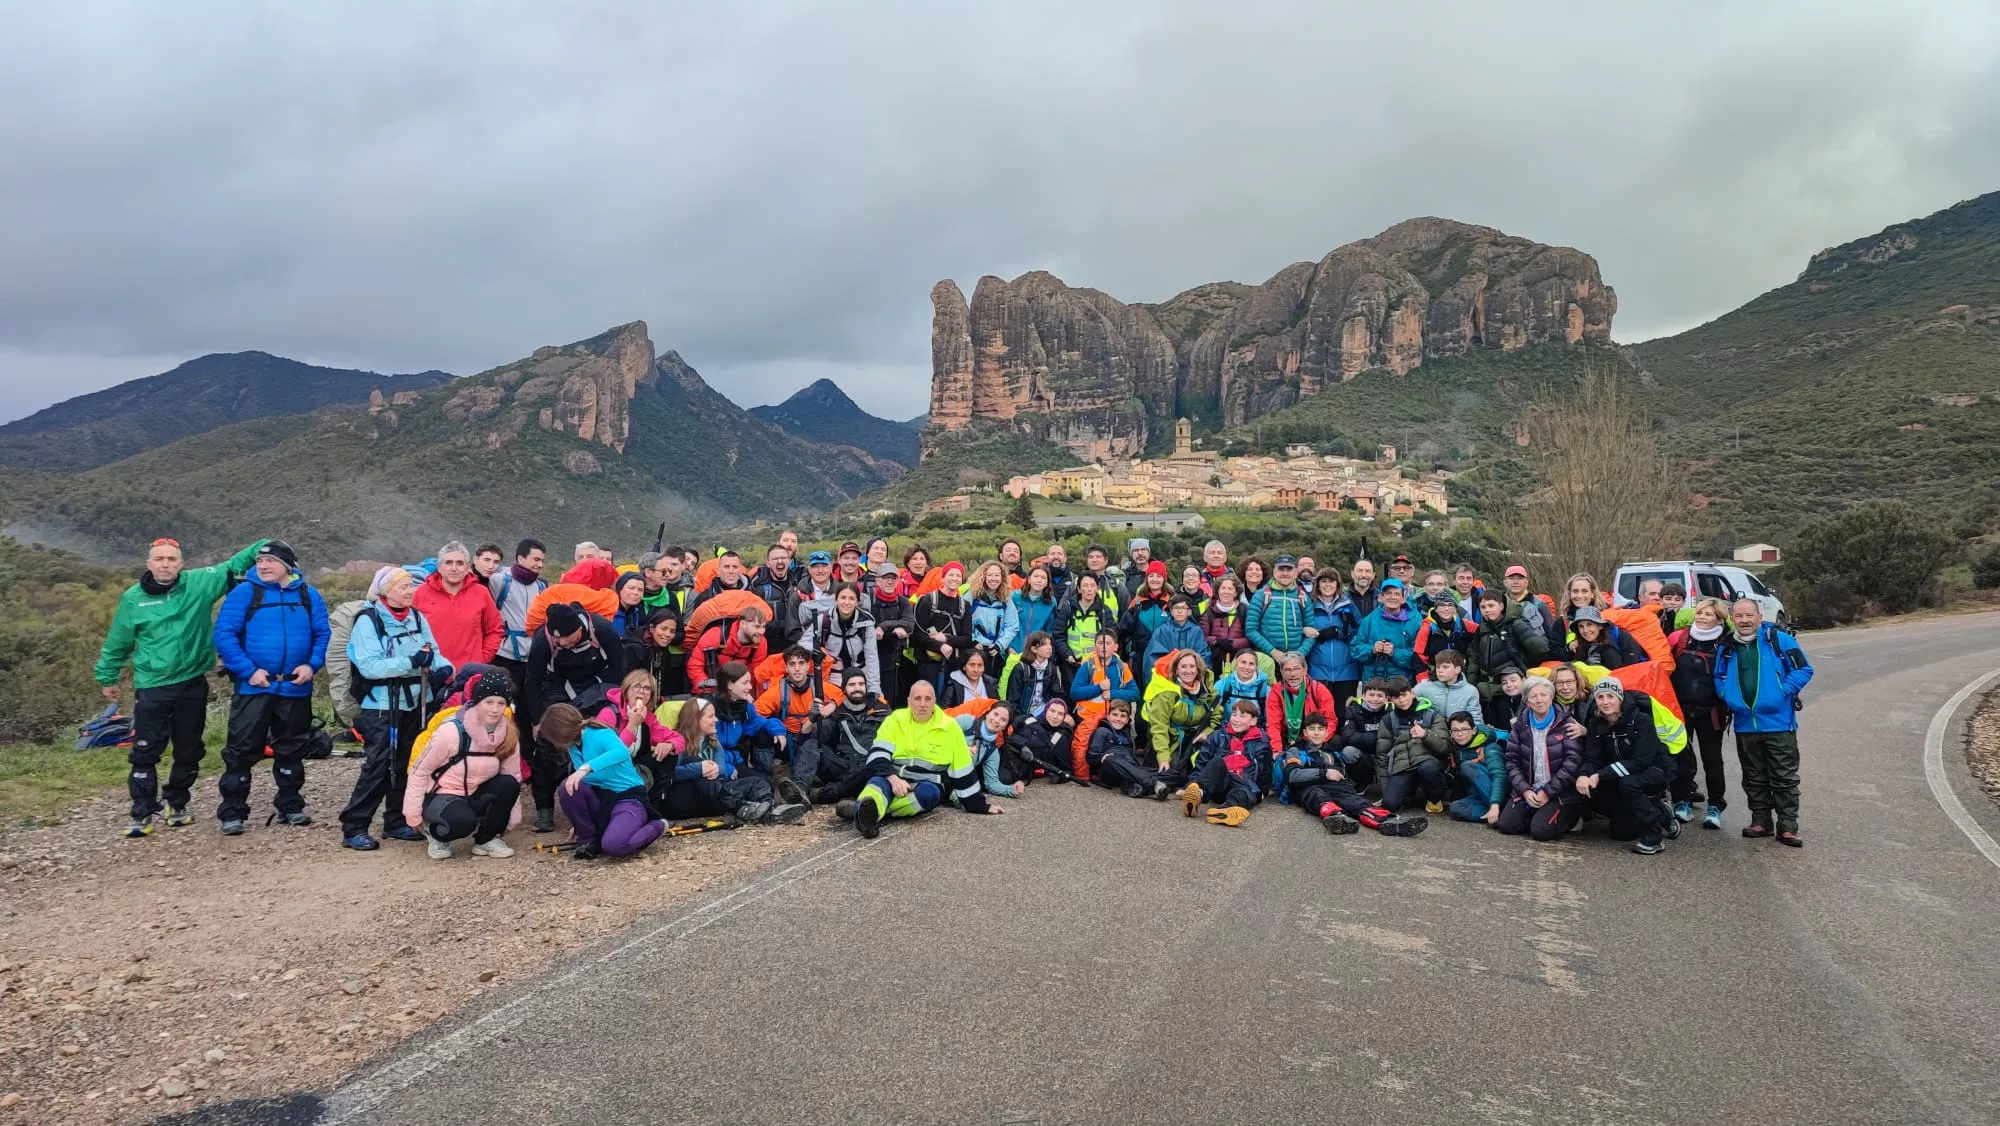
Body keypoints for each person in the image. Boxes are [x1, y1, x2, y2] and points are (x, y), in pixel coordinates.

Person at [98, 535, 265, 839]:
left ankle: (178, 804)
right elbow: (118, 641)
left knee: (189, 749)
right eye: (159, 559)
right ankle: (142, 812)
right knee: (145, 751)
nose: (165, 564)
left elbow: (235, 564)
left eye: (171, 559)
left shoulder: (199, 583)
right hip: (152, 684)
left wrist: (268, 547)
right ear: (149, 564)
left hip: (192, 682)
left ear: (181, 563)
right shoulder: (133, 598)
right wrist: (108, 676)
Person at [211, 540, 328, 835]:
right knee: (241, 750)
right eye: (260, 562)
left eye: (271, 562)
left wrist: (312, 665)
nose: (262, 566)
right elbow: (224, 634)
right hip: (255, 687)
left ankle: (290, 805)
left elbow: (322, 633)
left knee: (291, 749)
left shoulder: (308, 595)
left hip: (294, 687)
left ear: (287, 566)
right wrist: (248, 671)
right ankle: (232, 812)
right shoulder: (245, 593)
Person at [340, 567, 451, 851]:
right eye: (403, 587)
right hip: (381, 704)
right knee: (378, 764)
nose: (410, 591)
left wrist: (444, 668)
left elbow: (432, 651)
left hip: (415, 701)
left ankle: (396, 820)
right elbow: (369, 666)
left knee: (406, 761)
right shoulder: (369, 621)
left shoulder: (415, 616)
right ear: (385, 590)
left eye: (410, 586)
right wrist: (411, 662)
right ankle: (354, 826)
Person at [1714, 597, 1813, 847]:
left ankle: (1788, 827)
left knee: (1784, 777)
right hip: (1745, 724)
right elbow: (1719, 675)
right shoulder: (1727, 646)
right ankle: (1761, 822)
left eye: (1749, 615)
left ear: (1759, 617)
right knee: (1753, 776)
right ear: (1732, 619)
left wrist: (1782, 691)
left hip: (1779, 724)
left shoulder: (1779, 640)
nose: (1744, 620)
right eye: (1738, 616)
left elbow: (1803, 670)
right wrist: (1728, 695)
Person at [522, 601, 625, 831]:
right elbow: (533, 680)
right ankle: (544, 810)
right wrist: (537, 719)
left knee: (594, 738)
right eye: (558, 639)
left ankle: (603, 800)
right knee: (547, 744)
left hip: (596, 684)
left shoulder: (602, 629)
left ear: (579, 629)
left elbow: (618, 668)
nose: (562, 643)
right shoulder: (544, 639)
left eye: (567, 638)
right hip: (558, 685)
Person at [850, 680, 997, 838]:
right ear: (909, 701)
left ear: (934, 702)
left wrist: (979, 805)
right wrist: (893, 779)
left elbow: (963, 770)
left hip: (927, 783)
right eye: (917, 698)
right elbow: (877, 755)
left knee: (929, 795)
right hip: (891, 776)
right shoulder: (894, 720)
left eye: (928, 699)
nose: (922, 704)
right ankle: (866, 821)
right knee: (876, 785)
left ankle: (864, 812)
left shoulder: (950, 728)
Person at [406, 670, 522, 859]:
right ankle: (435, 833)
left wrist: (513, 816)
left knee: (508, 783)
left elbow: (514, 776)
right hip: (442, 793)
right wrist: (412, 813)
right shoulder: (450, 732)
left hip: (475, 791)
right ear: (477, 702)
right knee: (462, 822)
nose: (495, 709)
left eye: (501, 703)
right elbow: (420, 771)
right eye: (489, 702)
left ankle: (486, 839)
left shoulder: (508, 735)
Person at [544, 703, 668, 860]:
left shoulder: (600, 734)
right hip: (602, 798)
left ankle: (657, 825)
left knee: (614, 846)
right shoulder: (573, 747)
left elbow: (621, 751)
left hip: (628, 797)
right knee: (567, 788)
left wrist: (586, 768)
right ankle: (588, 839)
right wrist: (579, 821)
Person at [655, 696, 794, 825]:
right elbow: (668, 774)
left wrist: (716, 769)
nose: (716, 719)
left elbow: (721, 770)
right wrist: (699, 768)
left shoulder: (714, 741)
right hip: (681, 800)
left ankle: (770, 811)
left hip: (711, 797)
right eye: (710, 716)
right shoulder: (677, 742)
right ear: (695, 719)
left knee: (757, 782)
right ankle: (741, 807)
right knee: (697, 764)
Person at [1577, 678, 1673, 855]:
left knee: (1628, 784)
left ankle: (1654, 837)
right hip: (1619, 775)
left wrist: (1601, 774)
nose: (1605, 702)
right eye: (1600, 697)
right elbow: (1592, 757)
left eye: (1610, 696)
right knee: (1622, 833)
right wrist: (1584, 774)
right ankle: (1657, 810)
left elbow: (1642, 761)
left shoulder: (1641, 720)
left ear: (1620, 698)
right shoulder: (1595, 723)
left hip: (1652, 771)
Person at [1496, 675, 1586, 841]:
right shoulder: (1520, 725)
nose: (1539, 700)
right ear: (1527, 701)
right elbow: (1512, 760)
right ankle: (1538, 813)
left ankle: (1570, 816)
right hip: (1529, 788)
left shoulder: (1566, 723)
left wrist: (1547, 792)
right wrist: (1525, 790)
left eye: (1543, 695)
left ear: (1551, 697)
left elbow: (1571, 763)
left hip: (1558, 791)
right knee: (1507, 825)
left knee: (1541, 832)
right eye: (1533, 696)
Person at [1669, 597, 1732, 829]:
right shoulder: (1679, 638)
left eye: (1709, 614)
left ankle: (1715, 805)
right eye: (1700, 613)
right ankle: (1681, 802)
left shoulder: (1726, 643)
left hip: (1711, 711)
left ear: (1719, 618)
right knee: (1680, 758)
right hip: (1680, 710)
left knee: (1712, 760)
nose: (1703, 617)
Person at [412, 541, 503, 671]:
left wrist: (482, 659)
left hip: (468, 673)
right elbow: (409, 632)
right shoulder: (421, 593)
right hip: (431, 671)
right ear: (439, 567)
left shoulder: (481, 593)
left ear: (467, 568)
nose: (454, 568)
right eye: (448, 563)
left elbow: (495, 630)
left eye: (460, 563)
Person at [800, 672, 890, 802]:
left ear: (866, 687)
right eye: (852, 685)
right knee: (811, 745)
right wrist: (813, 718)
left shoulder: (882, 711)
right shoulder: (837, 713)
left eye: (861, 684)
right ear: (844, 689)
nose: (857, 688)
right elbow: (811, 738)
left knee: (872, 768)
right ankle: (799, 789)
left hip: (869, 763)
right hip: (842, 764)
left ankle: (822, 794)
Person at [1176, 700, 1268, 826]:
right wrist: (1192, 783)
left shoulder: (1262, 740)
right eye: (1234, 714)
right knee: (1217, 762)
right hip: (1221, 781)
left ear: (1253, 721)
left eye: (1242, 716)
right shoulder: (1217, 736)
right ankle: (1198, 794)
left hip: (1243, 783)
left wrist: (1262, 791)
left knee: (1243, 794)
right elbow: (1202, 763)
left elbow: (1266, 769)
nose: (1236, 719)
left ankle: (1222, 812)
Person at [1143, 647, 1218, 790]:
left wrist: (1206, 733)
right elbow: (1159, 727)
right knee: (1177, 772)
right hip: (1170, 739)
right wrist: (1163, 757)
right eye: (1183, 666)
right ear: (1176, 669)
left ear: (1198, 669)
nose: (1188, 671)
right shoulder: (1166, 693)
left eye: (1192, 666)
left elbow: (1216, 716)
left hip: (1196, 737)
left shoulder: (1207, 689)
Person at [1067, 629, 1138, 778]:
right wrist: (1098, 687)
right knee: (1083, 744)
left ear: (1116, 647)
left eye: (1108, 643)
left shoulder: (1121, 667)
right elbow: (1074, 692)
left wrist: (1113, 693)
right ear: (1095, 646)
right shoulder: (1088, 665)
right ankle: (1083, 774)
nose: (1103, 647)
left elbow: (1135, 693)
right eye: (1100, 643)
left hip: (1112, 717)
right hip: (1088, 715)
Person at [1374, 677, 1448, 815]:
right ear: (1390, 699)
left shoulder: (1431, 715)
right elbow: (1382, 756)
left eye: (1404, 695)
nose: (1401, 701)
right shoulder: (1388, 720)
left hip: (1428, 762)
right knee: (1389, 805)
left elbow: (1444, 747)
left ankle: (1434, 798)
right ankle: (1408, 793)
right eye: (1396, 697)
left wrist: (1425, 734)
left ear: (1412, 693)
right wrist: (1385, 790)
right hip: (1403, 766)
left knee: (1428, 769)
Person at [711, 661, 792, 782]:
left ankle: (766, 773)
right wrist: (724, 767)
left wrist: (778, 730)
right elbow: (703, 748)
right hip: (715, 763)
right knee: (755, 783)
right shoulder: (709, 709)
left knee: (766, 733)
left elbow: (760, 723)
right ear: (730, 685)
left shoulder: (745, 707)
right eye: (745, 683)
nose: (750, 687)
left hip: (736, 758)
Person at [1466, 589, 1549, 707]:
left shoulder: (1515, 624)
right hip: (1485, 692)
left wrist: (1524, 668)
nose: (1487, 610)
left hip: (1511, 690)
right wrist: (1471, 686)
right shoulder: (1481, 630)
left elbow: (1539, 648)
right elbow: (1474, 661)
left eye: (1491, 605)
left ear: (1501, 606)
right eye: (1483, 607)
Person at [489, 539, 548, 694]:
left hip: (532, 655)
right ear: (521, 558)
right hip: (504, 654)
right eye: (536, 559)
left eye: (542, 560)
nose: (540, 564)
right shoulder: (499, 581)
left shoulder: (541, 586)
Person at [754, 645, 840, 752]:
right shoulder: (777, 691)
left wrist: (831, 706)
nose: (797, 669)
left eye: (801, 663)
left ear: (808, 666)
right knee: (761, 733)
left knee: (829, 724)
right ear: (786, 668)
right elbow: (754, 714)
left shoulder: (818, 686)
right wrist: (774, 727)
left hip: (811, 737)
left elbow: (842, 696)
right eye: (792, 664)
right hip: (785, 739)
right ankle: (764, 768)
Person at [803, 583, 880, 699]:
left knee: (871, 705)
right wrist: (819, 652)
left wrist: (874, 689)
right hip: (832, 675)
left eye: (851, 598)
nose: (847, 602)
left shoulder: (866, 623)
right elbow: (803, 642)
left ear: (857, 602)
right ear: (836, 599)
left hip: (859, 674)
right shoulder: (824, 620)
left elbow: (872, 656)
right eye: (843, 597)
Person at [1303, 569, 1361, 712]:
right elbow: (1299, 627)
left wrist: (1338, 632)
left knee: (1344, 714)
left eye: (1331, 581)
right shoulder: (1309, 605)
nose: (1327, 585)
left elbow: (1360, 632)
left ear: (1338, 584)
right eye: (1323, 581)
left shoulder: (1348, 604)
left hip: (1347, 671)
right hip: (1318, 671)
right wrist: (1304, 630)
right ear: (1317, 584)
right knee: (1320, 714)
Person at [595, 668, 674, 771]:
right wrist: (632, 724)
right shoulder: (610, 713)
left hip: (634, 766)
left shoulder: (648, 717)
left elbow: (677, 739)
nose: (641, 691)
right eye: (637, 686)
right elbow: (611, 753)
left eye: (647, 688)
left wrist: (670, 745)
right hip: (609, 768)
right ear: (626, 690)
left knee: (671, 756)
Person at [912, 561, 972, 696]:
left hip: (954, 665)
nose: (955, 579)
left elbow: (968, 639)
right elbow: (917, 635)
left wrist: (947, 639)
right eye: (951, 575)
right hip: (928, 664)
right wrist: (940, 647)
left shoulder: (964, 605)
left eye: (958, 575)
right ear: (943, 578)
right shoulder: (928, 600)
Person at [685, 603, 769, 692]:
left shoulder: (760, 643)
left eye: (763, 627)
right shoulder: (715, 635)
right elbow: (695, 665)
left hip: (737, 688)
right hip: (709, 685)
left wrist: (741, 691)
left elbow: (754, 673)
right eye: (757, 627)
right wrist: (708, 690)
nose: (761, 632)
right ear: (743, 624)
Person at [1350, 577, 1420, 683]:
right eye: (1388, 593)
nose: (1392, 597)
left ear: (1403, 598)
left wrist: (1394, 652)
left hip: (1402, 682)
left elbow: (1419, 655)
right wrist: (1372, 650)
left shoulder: (1415, 620)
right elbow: (1355, 648)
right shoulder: (1370, 619)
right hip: (1373, 681)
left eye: (1396, 594)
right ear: (1381, 597)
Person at [1246, 553, 1311, 666]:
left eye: (1289, 569)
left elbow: (1311, 632)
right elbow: (1251, 630)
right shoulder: (1261, 595)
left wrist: (1299, 654)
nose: (1285, 573)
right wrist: (1273, 651)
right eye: (1281, 569)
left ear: (1295, 573)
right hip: (1267, 660)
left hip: (1295, 662)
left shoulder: (1303, 597)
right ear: (1274, 572)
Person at [1084, 698, 1158, 797]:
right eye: (1115, 714)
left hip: (1130, 769)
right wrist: (1102, 757)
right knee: (1110, 758)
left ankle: (1134, 786)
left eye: (1123, 716)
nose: (1118, 719)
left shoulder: (1128, 734)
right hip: (1109, 771)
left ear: (1128, 720)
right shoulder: (1102, 731)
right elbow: (1090, 757)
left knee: (1171, 773)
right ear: (1108, 716)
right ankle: (1151, 784)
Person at [1443, 711, 1506, 825]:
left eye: (1464, 729)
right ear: (1451, 733)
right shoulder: (1454, 748)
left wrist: (1495, 803)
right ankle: (1499, 816)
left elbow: (1500, 777)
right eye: (1455, 730)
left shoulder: (1490, 747)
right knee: (1455, 808)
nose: (1460, 734)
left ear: (1473, 730)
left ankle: (1499, 810)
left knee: (1467, 766)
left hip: (1497, 793)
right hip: (1476, 796)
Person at [1265, 653, 1335, 754]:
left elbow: (1330, 721)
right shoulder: (1276, 691)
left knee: (1336, 741)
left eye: (1296, 669)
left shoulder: (1319, 689)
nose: (1292, 674)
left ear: (1304, 670)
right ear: (1281, 672)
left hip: (1314, 735)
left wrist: (1312, 741)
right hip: (1286, 737)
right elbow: (1273, 724)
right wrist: (1276, 751)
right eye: (1287, 670)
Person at [866, 564, 914, 704]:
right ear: (877, 580)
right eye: (885, 578)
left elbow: (909, 624)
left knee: (889, 700)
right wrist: (896, 627)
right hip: (870, 658)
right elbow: (867, 626)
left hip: (893, 659)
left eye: (893, 578)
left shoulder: (903, 602)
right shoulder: (868, 600)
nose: (889, 581)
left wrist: (883, 626)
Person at [1118, 561, 1174, 679]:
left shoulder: (1172, 602)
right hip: (1139, 655)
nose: (1155, 579)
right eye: (1151, 575)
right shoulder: (1137, 602)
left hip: (1166, 655)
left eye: (1159, 576)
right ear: (1146, 578)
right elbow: (1123, 628)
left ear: (1164, 579)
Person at [1051, 572, 1117, 671]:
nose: (1089, 589)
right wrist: (1068, 655)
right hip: (1070, 664)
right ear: (1079, 589)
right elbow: (1058, 635)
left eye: (1092, 585)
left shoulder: (1104, 611)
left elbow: (1110, 637)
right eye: (1085, 585)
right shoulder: (1068, 608)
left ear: (1097, 588)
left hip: (1097, 664)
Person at [1007, 696, 1078, 784]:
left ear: (1064, 717)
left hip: (1024, 768)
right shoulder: (1030, 721)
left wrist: (1060, 778)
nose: (1055, 716)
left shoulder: (1062, 738)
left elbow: (1065, 767)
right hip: (1010, 755)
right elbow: (1015, 737)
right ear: (1046, 711)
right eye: (1052, 711)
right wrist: (1023, 746)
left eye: (1060, 714)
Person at [1335, 678, 1391, 789]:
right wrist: (1375, 738)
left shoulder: (1390, 712)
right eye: (1371, 695)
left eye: (1380, 696)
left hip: (1385, 755)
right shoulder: (1353, 710)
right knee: (1348, 752)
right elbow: (1347, 737)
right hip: (1364, 754)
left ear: (1386, 698)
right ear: (1363, 695)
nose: (1375, 699)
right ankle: (1363, 781)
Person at [966, 561, 1021, 671]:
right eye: (990, 575)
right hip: (975, 649)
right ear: (983, 576)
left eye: (997, 575)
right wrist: (972, 641)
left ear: (1002, 578)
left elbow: (1012, 626)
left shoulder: (1006, 600)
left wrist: (1000, 645)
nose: (993, 579)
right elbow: (963, 621)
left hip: (997, 652)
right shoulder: (971, 596)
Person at [1501, 564, 1566, 657]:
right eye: (1511, 578)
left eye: (1520, 578)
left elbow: (1551, 632)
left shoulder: (1539, 604)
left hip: (1536, 656)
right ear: (1505, 582)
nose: (1516, 582)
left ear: (1527, 582)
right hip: (1508, 657)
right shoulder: (1498, 605)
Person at [1002, 631, 1068, 720]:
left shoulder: (1051, 668)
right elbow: (1012, 700)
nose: (1049, 648)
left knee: (1068, 722)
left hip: (1044, 712)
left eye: (1050, 644)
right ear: (1034, 649)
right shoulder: (1020, 668)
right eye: (1044, 644)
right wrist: (1021, 719)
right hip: (1023, 714)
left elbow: (1056, 695)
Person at [968, 701, 1026, 801]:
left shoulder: (992, 751)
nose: (997, 720)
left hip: (956, 781)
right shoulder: (967, 722)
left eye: (1003, 720)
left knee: (1004, 777)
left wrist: (1011, 790)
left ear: (1005, 727)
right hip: (938, 767)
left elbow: (992, 784)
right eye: (995, 714)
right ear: (988, 713)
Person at [1142, 593, 1210, 674]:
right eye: (1176, 608)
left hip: (1191, 676)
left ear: (1189, 612)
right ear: (1171, 611)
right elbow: (1152, 659)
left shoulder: (1196, 631)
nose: (1179, 611)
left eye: (1183, 608)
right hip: (1168, 676)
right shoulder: (1162, 631)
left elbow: (1204, 656)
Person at [747, 544, 800, 647]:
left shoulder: (798, 584)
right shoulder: (759, 589)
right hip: (769, 645)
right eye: (775, 558)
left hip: (795, 644)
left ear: (789, 562)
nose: (780, 561)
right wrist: (784, 625)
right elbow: (754, 621)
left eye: (783, 558)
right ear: (768, 563)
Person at [1200, 575, 1249, 675]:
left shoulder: (1245, 610)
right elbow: (1201, 636)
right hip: (1214, 656)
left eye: (1230, 588)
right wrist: (1216, 641)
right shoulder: (1208, 610)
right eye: (1223, 588)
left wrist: (1233, 643)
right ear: (1217, 591)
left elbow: (1250, 636)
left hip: (1239, 656)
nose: (1226, 591)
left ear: (1236, 593)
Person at [1414, 650, 1479, 723]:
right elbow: (1407, 703)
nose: (1440, 670)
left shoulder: (1470, 691)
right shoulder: (1424, 687)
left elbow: (1476, 720)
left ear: (1457, 669)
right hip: (1432, 732)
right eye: (1438, 667)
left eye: (1445, 667)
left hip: (1458, 732)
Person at [1568, 606, 1644, 668]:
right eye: (1581, 626)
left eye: (1589, 624)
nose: (1585, 630)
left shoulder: (1622, 637)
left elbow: (1633, 667)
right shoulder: (1580, 643)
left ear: (1600, 626)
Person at [1412, 593, 1470, 672]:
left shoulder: (1464, 625)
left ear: (1455, 609)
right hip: (1435, 674)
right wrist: (1423, 680)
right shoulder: (1427, 628)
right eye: (1442, 605)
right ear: (1435, 609)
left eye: (1450, 605)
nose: (1446, 608)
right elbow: (1418, 655)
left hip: (1459, 673)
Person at [1011, 565, 1061, 654]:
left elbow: (1049, 631)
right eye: (1036, 576)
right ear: (1029, 579)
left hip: (1036, 653)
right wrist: (1009, 646)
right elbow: (1006, 625)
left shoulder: (1051, 602)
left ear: (1047, 583)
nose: (1039, 580)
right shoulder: (1015, 597)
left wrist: (1041, 649)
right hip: (1013, 651)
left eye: (1043, 578)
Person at [640, 608, 688, 698]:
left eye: (672, 631)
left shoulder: (664, 650)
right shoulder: (635, 649)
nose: (668, 634)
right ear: (652, 628)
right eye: (663, 629)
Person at [688, 549, 750, 617]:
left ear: (740, 571)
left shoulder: (751, 597)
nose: (731, 571)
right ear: (718, 571)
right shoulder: (704, 599)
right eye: (726, 567)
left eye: (735, 567)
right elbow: (697, 626)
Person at [1213, 647, 1271, 719]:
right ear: (1236, 664)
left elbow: (1271, 718)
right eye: (1243, 662)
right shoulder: (1223, 684)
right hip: (1227, 727)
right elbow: (1212, 711)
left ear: (1256, 667)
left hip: (1256, 728)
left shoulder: (1265, 689)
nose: (1247, 667)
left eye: (1251, 664)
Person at [610, 571, 650, 669]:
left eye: (640, 590)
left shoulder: (634, 613)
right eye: (631, 588)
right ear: (620, 589)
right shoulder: (610, 612)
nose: (636, 592)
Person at [940, 648, 998, 715]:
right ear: (964, 666)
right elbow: (944, 712)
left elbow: (998, 707)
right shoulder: (953, 685)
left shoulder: (990, 683)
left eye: (980, 665)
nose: (976, 670)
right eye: (972, 665)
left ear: (984, 668)